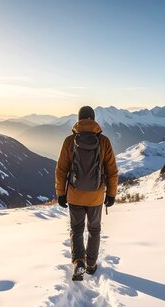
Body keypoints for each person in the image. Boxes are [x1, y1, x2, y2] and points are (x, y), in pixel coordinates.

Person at [55, 105, 118, 281]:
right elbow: (112, 170)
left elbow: (61, 170)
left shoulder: (70, 141)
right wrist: (111, 194)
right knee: (94, 230)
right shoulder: (103, 141)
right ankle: (91, 265)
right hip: (96, 196)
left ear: (79, 118)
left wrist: (61, 193)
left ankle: (78, 262)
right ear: (93, 118)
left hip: (74, 194)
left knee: (76, 229)